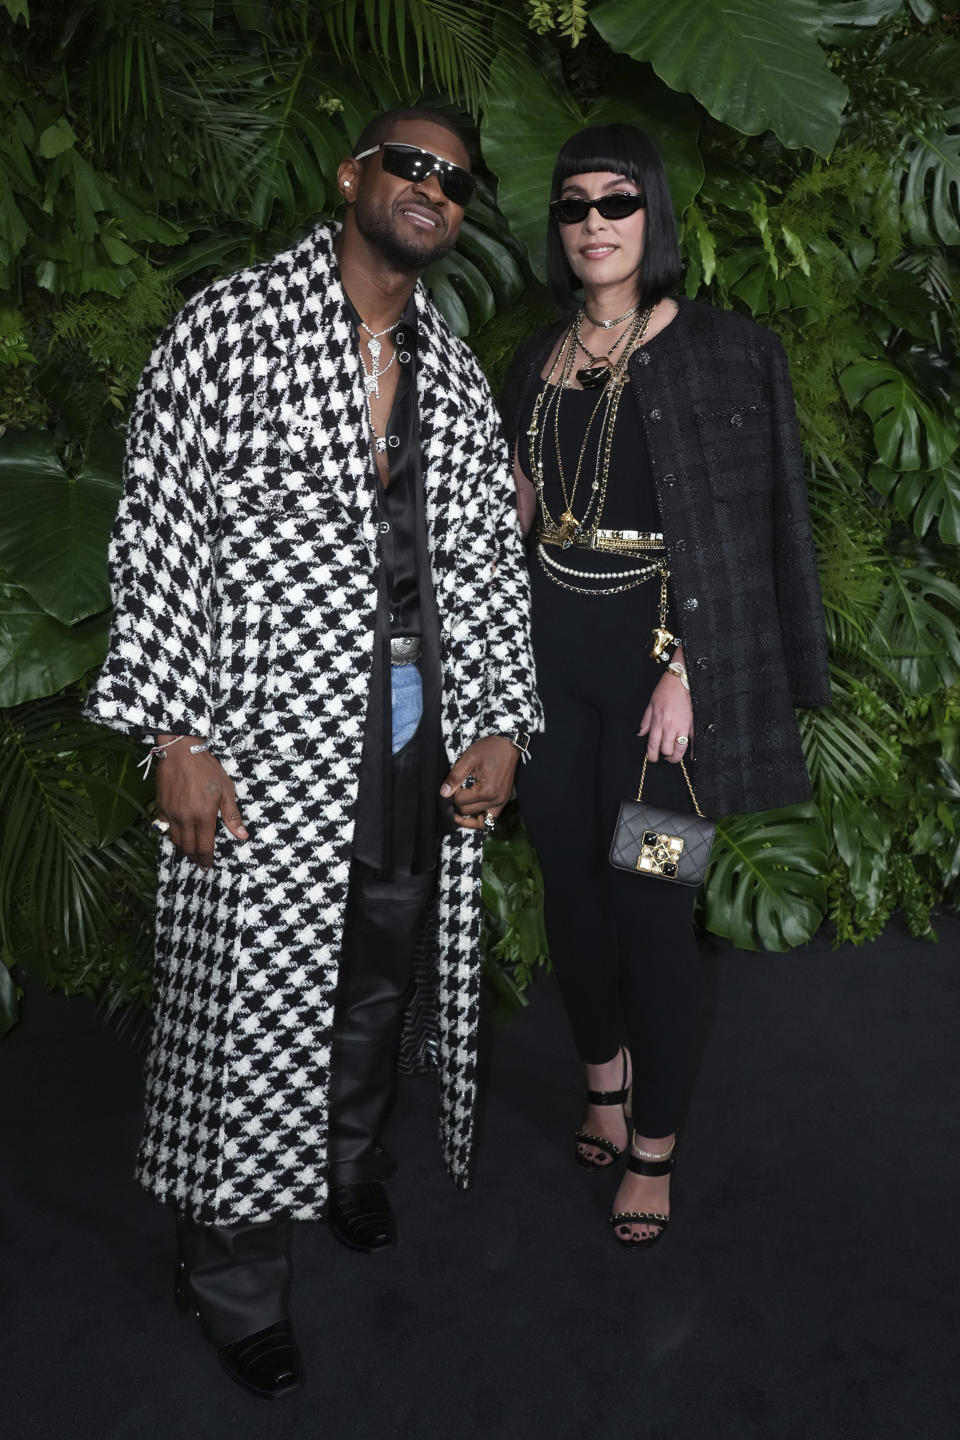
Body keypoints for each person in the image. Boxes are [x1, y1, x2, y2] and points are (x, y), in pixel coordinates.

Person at [85, 106, 540, 1398]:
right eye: (411, 165)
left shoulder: (447, 364)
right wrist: (179, 732)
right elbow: (162, 539)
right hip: (266, 731)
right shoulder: (229, 326)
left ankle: (342, 1161)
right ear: (354, 177)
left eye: (455, 181)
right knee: (252, 997)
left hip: (410, 728)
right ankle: (228, 1274)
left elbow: (481, 565)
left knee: (378, 972)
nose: (433, 190)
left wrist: (500, 718)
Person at [499, 124, 830, 1250]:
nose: (594, 222)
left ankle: (656, 1141)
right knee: (569, 891)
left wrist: (690, 668)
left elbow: (741, 531)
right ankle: (601, 1080)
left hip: (659, 693)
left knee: (650, 899)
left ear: (654, 218)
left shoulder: (722, 351)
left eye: (617, 202)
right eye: (574, 204)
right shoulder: (535, 357)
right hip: (551, 675)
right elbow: (526, 512)